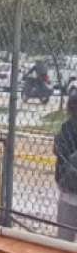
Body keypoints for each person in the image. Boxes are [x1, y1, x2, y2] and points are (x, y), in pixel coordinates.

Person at [54, 91, 77, 243]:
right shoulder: (67, 128)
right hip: (69, 190)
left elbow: (58, 151)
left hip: (68, 191)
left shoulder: (66, 127)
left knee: (63, 241)